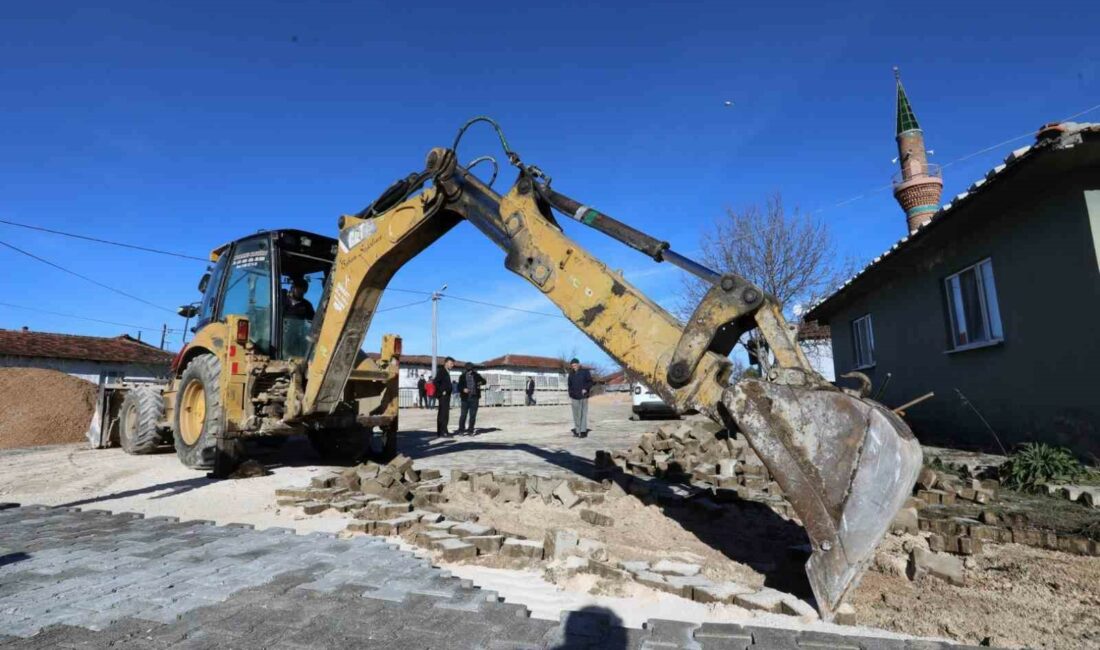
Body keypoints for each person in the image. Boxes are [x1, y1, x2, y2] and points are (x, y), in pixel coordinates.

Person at [456, 362, 487, 435]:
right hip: (465, 399)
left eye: (471, 369)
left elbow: (484, 381)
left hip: (474, 398)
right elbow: (459, 386)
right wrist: (463, 389)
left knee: (472, 415)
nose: (470, 371)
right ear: (466, 369)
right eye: (468, 369)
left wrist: (479, 383)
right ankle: (461, 430)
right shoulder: (462, 376)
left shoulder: (476, 375)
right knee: (463, 415)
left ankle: (470, 430)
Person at [567, 358, 594, 438]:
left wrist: (585, 388)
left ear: (578, 364)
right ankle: (577, 430)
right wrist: (570, 393)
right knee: (576, 415)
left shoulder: (585, 372)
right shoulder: (571, 374)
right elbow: (569, 385)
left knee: (583, 414)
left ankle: (583, 431)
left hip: (583, 396)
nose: (574, 367)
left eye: (575, 365)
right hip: (574, 396)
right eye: (572, 366)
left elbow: (590, 382)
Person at [433, 357, 455, 437]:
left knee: (444, 414)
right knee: (443, 414)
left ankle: (442, 431)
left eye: (453, 364)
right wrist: (442, 391)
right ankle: (443, 432)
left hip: (446, 396)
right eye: (451, 363)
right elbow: (435, 382)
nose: (452, 365)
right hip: (443, 396)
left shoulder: (446, 371)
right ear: (446, 363)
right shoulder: (442, 371)